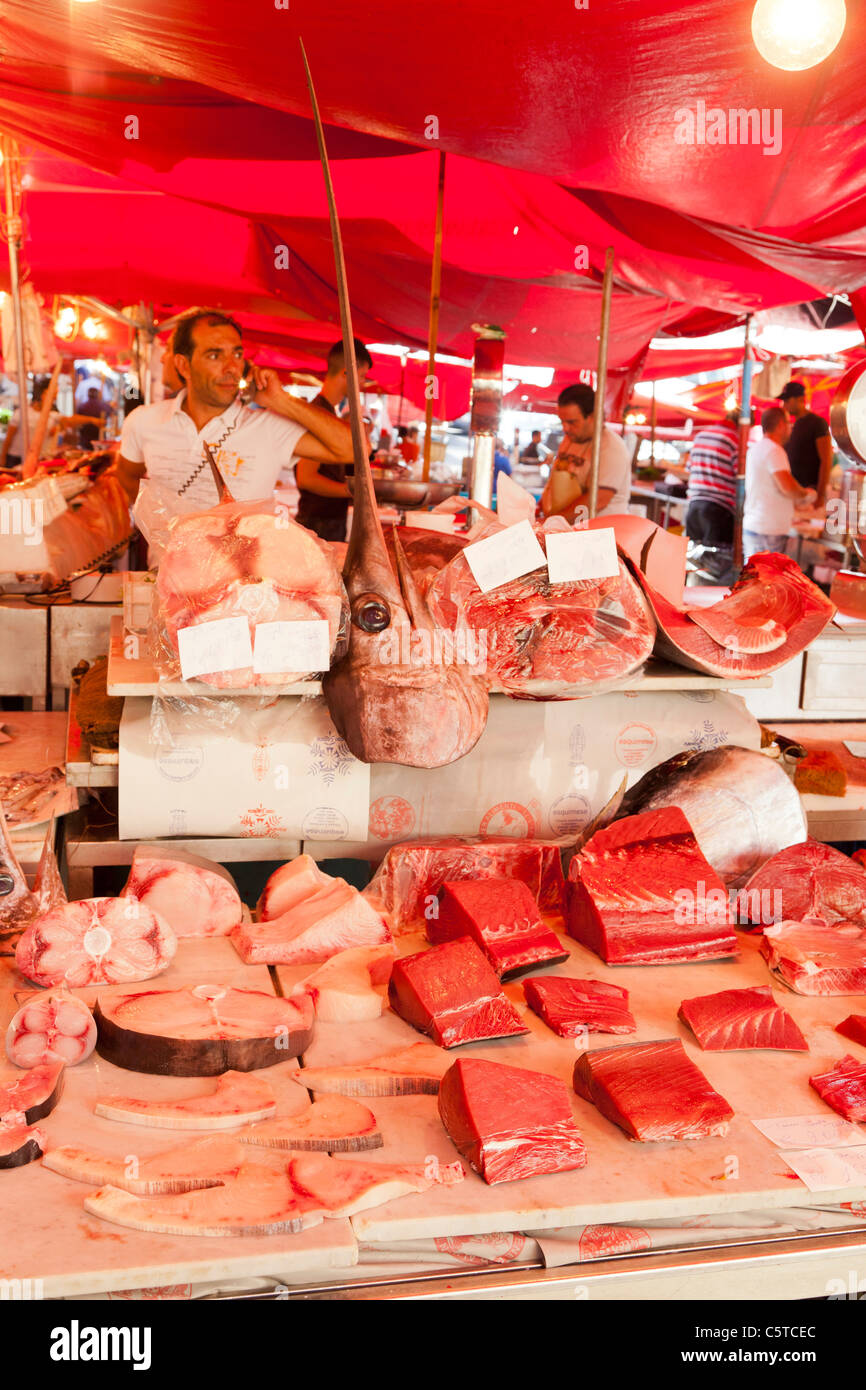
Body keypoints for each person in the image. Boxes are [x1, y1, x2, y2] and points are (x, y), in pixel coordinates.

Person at [112, 311, 353, 517]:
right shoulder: (143, 421)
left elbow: (352, 449)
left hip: (246, 572)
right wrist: (156, 522)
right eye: (215, 355)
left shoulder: (267, 426)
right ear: (184, 366)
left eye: (237, 354)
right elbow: (126, 476)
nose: (232, 368)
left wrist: (280, 400)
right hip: (164, 571)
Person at [294, 338, 372, 542]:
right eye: (362, 376)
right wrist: (352, 491)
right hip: (316, 523)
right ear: (347, 372)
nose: (363, 384)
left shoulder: (329, 413)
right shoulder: (318, 414)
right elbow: (306, 478)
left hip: (328, 521)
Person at [540, 383, 630, 521]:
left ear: (593, 416)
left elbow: (599, 498)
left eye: (572, 422)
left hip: (599, 534)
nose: (566, 428)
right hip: (568, 529)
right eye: (562, 421)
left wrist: (553, 523)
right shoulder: (569, 439)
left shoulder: (611, 446)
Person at [743, 405, 815, 561]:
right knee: (765, 582)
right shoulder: (774, 450)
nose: (791, 428)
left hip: (758, 526)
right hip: (768, 530)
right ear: (781, 424)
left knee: (754, 580)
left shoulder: (755, 449)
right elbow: (787, 488)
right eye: (789, 423)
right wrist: (807, 494)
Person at [0, 379, 87, 471]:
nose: (55, 397)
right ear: (42, 394)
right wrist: (2, 457)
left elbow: (70, 420)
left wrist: (93, 420)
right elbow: (9, 438)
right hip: (15, 458)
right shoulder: (21, 413)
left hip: (37, 459)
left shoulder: (51, 415)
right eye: (53, 394)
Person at [684, 410, 740, 547]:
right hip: (719, 510)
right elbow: (742, 476)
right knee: (716, 564)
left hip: (694, 506)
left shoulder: (701, 435)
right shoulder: (734, 440)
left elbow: (689, 468)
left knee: (692, 560)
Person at [778, 380, 833, 506]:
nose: (784, 405)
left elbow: (826, 460)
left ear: (800, 399)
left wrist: (820, 495)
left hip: (810, 493)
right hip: (794, 493)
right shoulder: (792, 425)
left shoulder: (817, 423)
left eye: (787, 401)